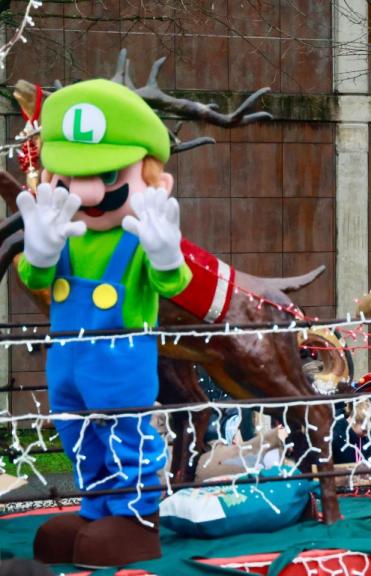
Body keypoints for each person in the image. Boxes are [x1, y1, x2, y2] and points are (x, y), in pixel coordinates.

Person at [23, 80, 192, 566]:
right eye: (71, 176)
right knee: (77, 437)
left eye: (106, 174)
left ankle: (137, 520)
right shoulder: (63, 234)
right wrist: (38, 251)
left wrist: (164, 256)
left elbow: (173, 285)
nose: (86, 191)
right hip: (67, 368)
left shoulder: (138, 237)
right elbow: (35, 274)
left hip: (121, 369)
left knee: (126, 437)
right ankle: (96, 510)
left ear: (154, 181)